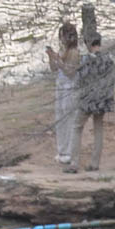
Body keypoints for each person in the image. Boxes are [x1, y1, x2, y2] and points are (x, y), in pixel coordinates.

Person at [74, 33, 114, 171]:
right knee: (98, 128)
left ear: (89, 44)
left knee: (77, 127)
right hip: (102, 98)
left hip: (88, 99)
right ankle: (95, 163)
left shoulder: (86, 60)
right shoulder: (108, 59)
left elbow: (80, 79)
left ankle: (74, 163)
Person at [46, 22, 81, 172]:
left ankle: (69, 152)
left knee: (69, 119)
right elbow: (54, 68)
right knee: (60, 118)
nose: (61, 39)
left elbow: (70, 72)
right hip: (60, 86)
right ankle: (62, 150)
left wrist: (58, 60)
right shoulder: (63, 50)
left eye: (62, 36)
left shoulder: (74, 52)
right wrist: (51, 57)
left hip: (70, 88)